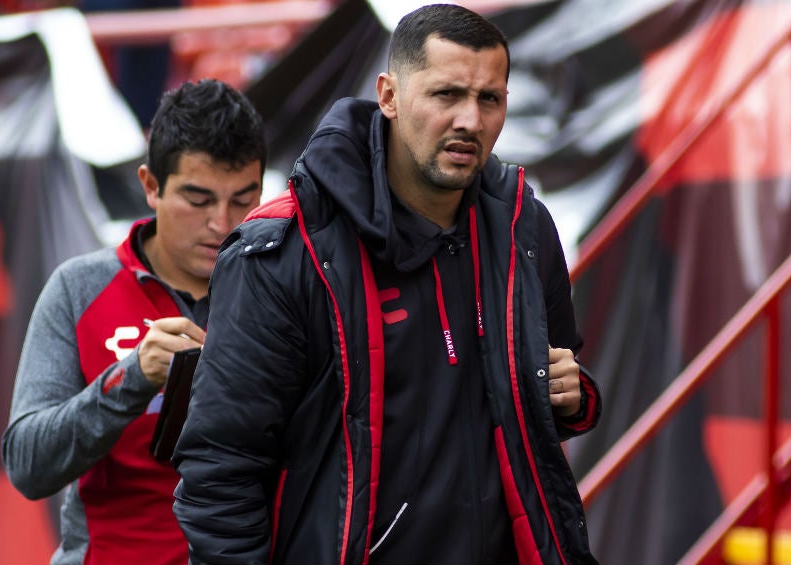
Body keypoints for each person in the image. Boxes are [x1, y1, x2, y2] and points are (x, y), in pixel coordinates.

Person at [172, 4, 601, 565]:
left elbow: (550, 391)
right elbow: (220, 468)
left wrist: (569, 394)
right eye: (446, 94)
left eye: (488, 99)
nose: (470, 120)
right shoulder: (284, 250)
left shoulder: (525, 226)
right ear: (390, 96)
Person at [2, 78, 266, 565]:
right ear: (150, 186)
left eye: (243, 199)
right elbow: (27, 465)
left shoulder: (282, 288)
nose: (222, 223)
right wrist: (132, 377)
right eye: (199, 199)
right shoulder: (79, 288)